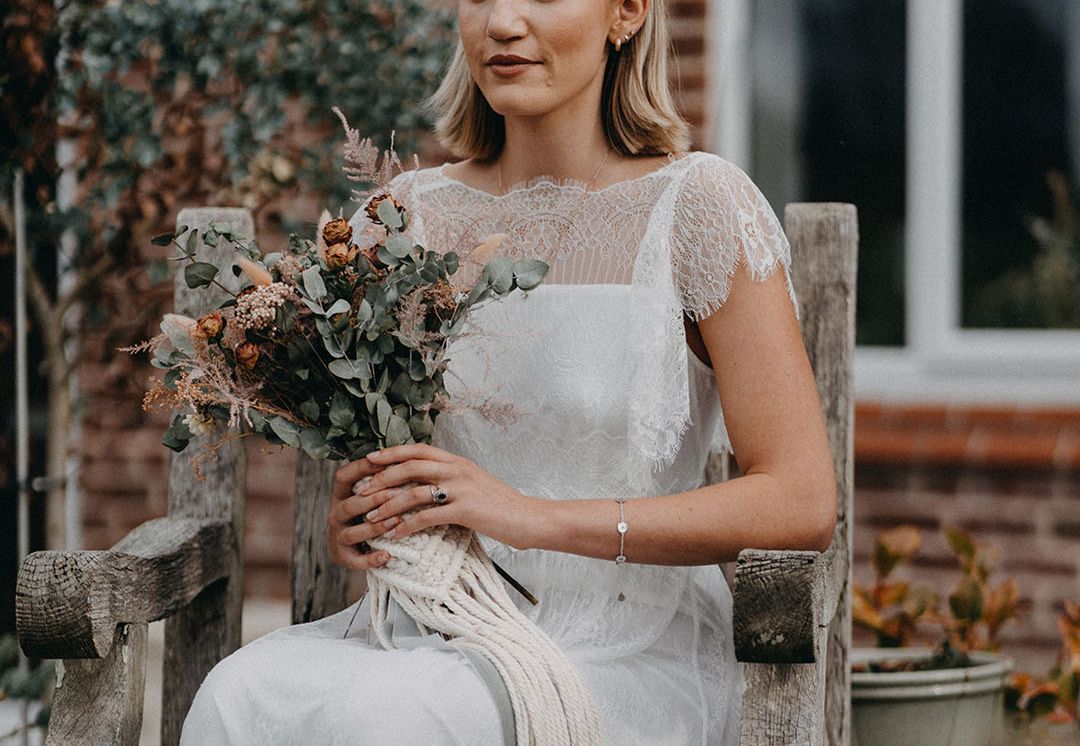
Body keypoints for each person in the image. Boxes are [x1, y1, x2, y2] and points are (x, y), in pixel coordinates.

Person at [179, 0, 837, 743]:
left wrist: (531, 516)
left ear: (626, 12)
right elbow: (386, 455)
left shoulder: (695, 207)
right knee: (237, 696)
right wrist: (367, 516)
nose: (501, 21)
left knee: (390, 719)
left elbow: (800, 499)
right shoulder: (404, 219)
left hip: (627, 646)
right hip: (430, 628)